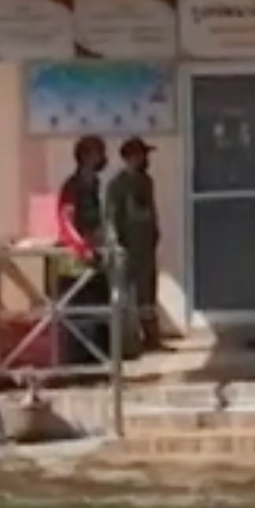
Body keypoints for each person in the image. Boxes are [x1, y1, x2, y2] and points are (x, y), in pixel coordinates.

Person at [105, 137, 162, 351]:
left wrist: (155, 233)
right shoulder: (117, 185)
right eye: (141, 155)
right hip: (127, 247)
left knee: (148, 295)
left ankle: (152, 338)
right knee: (124, 296)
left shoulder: (146, 181)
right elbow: (111, 217)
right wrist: (116, 244)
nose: (145, 159)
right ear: (131, 157)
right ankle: (126, 343)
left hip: (146, 247)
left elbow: (150, 211)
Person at [56, 135, 109, 365]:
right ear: (85, 156)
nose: (101, 158)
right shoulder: (72, 185)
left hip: (94, 253)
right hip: (75, 259)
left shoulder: (94, 183)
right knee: (79, 311)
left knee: (98, 307)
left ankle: (96, 360)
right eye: (97, 152)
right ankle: (78, 364)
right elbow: (66, 220)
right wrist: (81, 247)